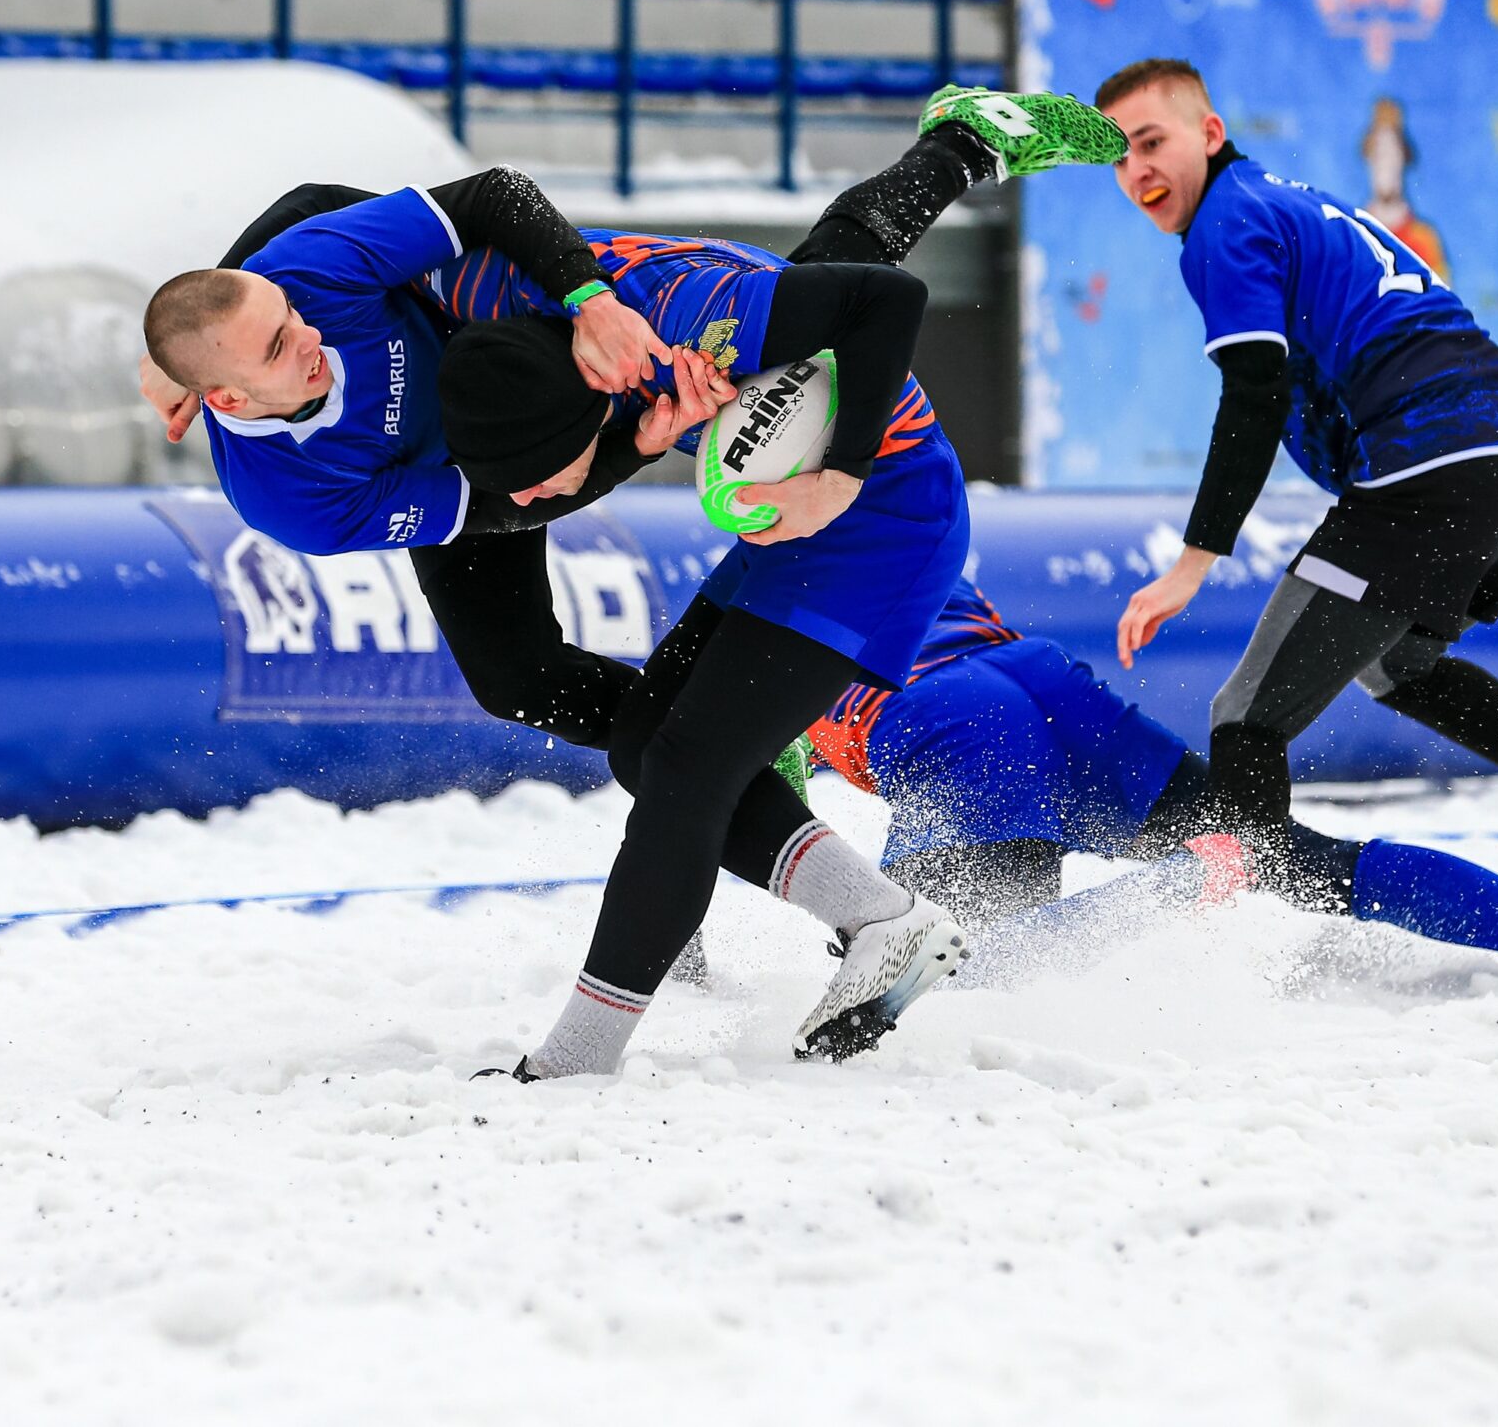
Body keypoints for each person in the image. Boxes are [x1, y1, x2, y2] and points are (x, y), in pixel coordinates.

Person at [137, 83, 1130, 1074]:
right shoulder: (290, 491)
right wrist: (606, 458)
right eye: (270, 347)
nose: (302, 333)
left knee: (799, 321)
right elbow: (501, 498)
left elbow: (446, 198)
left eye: (285, 318)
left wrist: (592, 309)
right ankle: (778, 819)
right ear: (224, 394)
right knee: (539, 687)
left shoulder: (328, 276)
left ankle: (963, 144)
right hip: (497, 444)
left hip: (570, 370)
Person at [1095, 58, 1498, 926]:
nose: (1137, 169)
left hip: (1436, 472)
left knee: (1245, 719)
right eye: (1118, 155)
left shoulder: (1227, 222)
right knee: (1397, 664)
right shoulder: (1289, 201)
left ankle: (1245, 956)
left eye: (1151, 142)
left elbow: (1254, 395)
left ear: (1209, 135)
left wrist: (1192, 563)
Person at [804, 576, 1498, 1011]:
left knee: (946, 980)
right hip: (1045, 681)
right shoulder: (891, 523)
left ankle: (1186, 880)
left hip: (949, 719)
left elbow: (738, 806)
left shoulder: (753, 615)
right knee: (1315, 862)